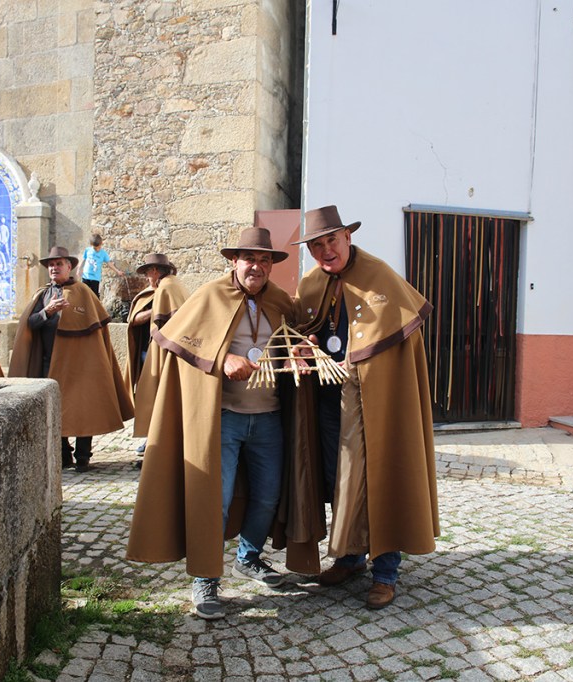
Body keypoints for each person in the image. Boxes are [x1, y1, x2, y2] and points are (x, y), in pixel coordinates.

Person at [126, 224, 322, 621]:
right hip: (223, 419)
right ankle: (206, 577)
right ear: (234, 260)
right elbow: (173, 339)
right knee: (215, 499)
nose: (257, 266)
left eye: (264, 260)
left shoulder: (280, 301)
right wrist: (222, 359)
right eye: (249, 258)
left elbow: (293, 340)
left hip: (268, 417)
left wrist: (301, 348)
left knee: (268, 496)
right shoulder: (210, 295)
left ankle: (248, 558)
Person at [294, 205, 439, 610]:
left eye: (331, 240)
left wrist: (359, 365)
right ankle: (350, 556)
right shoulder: (311, 282)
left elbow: (397, 342)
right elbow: (304, 330)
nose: (326, 250)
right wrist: (305, 345)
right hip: (328, 401)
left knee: (379, 477)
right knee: (339, 478)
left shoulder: (380, 277)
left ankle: (385, 572)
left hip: (376, 401)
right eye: (316, 245)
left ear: (347, 237)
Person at [8, 246, 133, 472]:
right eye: (51, 265)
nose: (54, 268)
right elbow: (31, 324)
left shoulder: (83, 292)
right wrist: (47, 312)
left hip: (82, 365)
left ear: (69, 267)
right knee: (56, 408)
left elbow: (98, 333)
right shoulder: (43, 295)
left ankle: (83, 457)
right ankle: (64, 454)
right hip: (50, 362)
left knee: (84, 407)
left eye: (59, 264)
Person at [123, 253, 188, 455]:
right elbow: (134, 320)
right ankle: (153, 439)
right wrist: (154, 311)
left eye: (147, 272)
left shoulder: (168, 288)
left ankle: (157, 442)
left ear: (154, 271)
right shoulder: (161, 289)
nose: (146, 277)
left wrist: (159, 308)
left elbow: (175, 317)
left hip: (161, 353)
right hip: (149, 352)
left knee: (157, 396)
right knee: (153, 396)